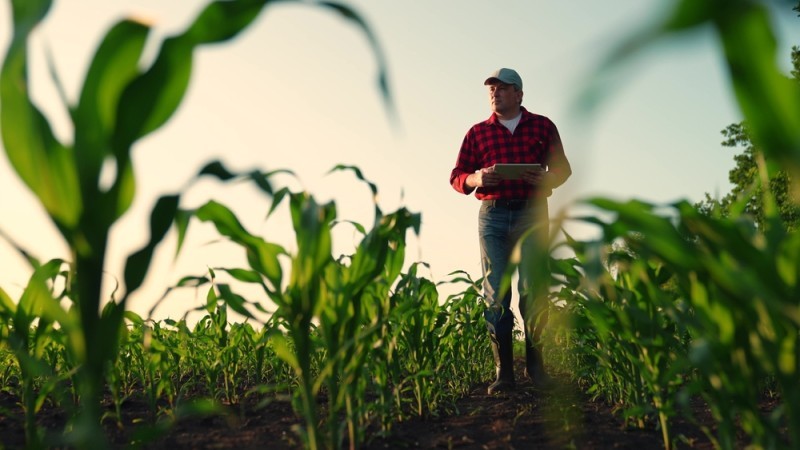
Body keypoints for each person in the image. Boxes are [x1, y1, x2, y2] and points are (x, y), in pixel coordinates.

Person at [449, 68, 571, 394]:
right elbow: (458, 176)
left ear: (518, 94)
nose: (494, 93)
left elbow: (563, 169)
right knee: (496, 292)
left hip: (533, 212)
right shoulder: (477, 133)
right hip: (492, 215)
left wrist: (547, 179)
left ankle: (537, 368)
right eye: (491, 89)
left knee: (534, 289)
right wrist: (478, 179)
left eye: (502, 88)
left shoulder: (542, 126)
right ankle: (504, 373)